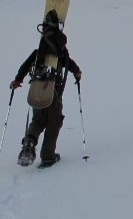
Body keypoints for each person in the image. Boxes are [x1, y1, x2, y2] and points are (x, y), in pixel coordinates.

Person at [10, 9, 82, 168]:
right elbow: (69, 63)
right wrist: (77, 72)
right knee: (54, 121)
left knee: (38, 119)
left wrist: (17, 80)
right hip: (53, 90)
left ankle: (29, 141)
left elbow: (25, 66)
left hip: (37, 86)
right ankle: (48, 155)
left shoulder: (38, 52)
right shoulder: (60, 52)